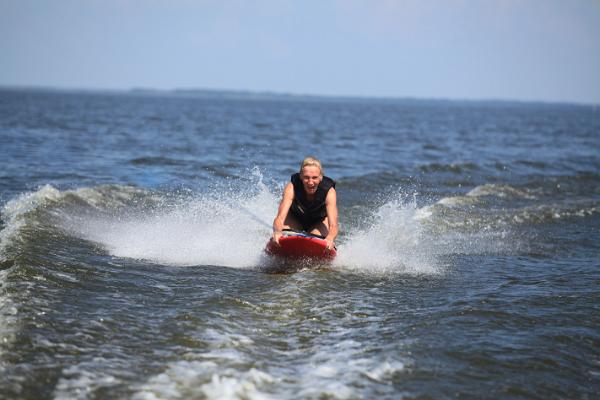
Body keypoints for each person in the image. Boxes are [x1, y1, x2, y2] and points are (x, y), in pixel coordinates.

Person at [271, 156, 338, 251]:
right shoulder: (291, 187)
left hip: (318, 222)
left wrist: (330, 238)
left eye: (314, 178)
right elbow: (280, 218)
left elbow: (333, 225)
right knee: (283, 236)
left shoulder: (329, 192)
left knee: (319, 242)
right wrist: (277, 231)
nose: (310, 182)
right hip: (295, 219)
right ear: (301, 177)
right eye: (306, 177)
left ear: (320, 178)